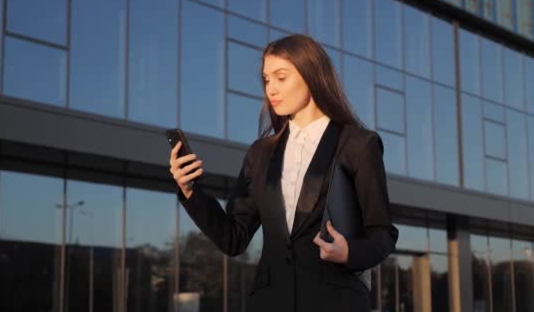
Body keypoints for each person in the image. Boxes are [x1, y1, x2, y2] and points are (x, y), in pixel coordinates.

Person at [169, 34, 398, 312]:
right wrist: (191, 191)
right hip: (270, 302)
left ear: (311, 75)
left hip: (336, 302)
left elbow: (382, 233)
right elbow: (234, 237)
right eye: (266, 79)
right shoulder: (260, 152)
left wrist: (349, 252)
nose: (271, 90)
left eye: (281, 77)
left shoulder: (359, 144)